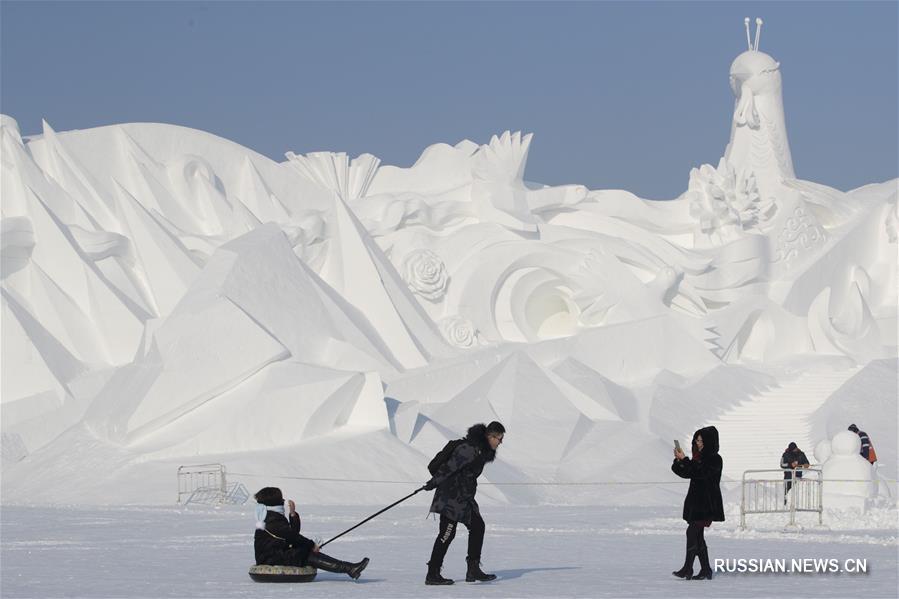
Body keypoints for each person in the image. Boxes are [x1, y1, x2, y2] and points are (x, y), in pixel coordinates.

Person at [422, 421, 505, 585]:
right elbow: (448, 468)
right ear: (490, 436)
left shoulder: (481, 450)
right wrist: (433, 483)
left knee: (478, 526)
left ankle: (473, 569)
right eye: (499, 439)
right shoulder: (469, 448)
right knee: (447, 534)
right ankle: (432, 573)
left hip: (464, 499)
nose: (500, 443)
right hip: (450, 497)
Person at [253, 487, 369, 580]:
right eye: (281, 501)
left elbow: (291, 534)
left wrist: (293, 515)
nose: (283, 503)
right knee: (307, 553)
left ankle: (349, 568)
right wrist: (312, 545)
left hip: (273, 554)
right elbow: (293, 536)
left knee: (304, 550)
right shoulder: (272, 519)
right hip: (271, 558)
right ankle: (349, 569)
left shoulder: (270, 516)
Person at [671, 426, 724, 581]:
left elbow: (700, 472)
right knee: (698, 536)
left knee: (692, 532)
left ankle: (688, 568)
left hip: (707, 504)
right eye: (697, 440)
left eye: (701, 440)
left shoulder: (715, 458)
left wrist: (686, 460)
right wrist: (680, 461)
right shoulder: (698, 458)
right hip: (696, 503)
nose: (698, 443)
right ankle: (705, 569)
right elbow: (686, 472)